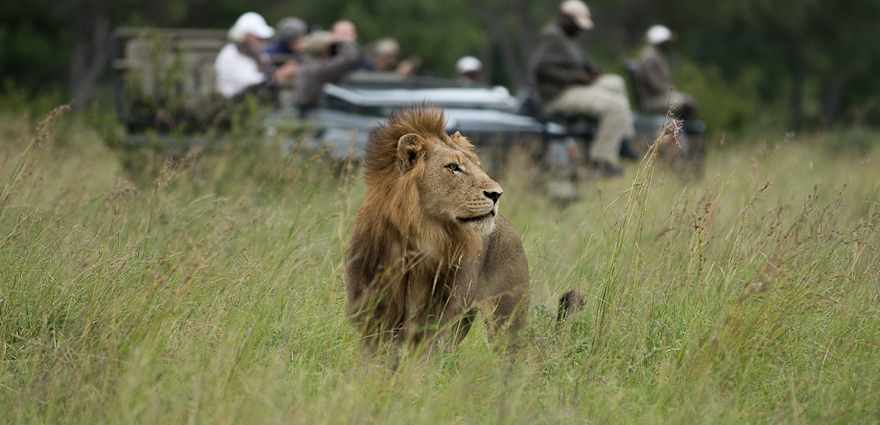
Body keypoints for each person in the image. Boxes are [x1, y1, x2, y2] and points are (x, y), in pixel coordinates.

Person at [528, 0, 635, 177]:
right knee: (616, 106)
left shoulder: (566, 38)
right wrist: (577, 77)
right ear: (565, 18)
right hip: (557, 96)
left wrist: (590, 70)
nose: (580, 29)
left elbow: (575, 63)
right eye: (577, 25)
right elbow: (541, 69)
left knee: (616, 82)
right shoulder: (552, 37)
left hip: (572, 89)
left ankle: (623, 141)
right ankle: (601, 159)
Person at [214, 12, 297, 99]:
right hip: (235, 107)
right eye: (259, 38)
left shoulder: (255, 54)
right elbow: (251, 88)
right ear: (246, 36)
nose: (263, 42)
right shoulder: (230, 55)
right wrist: (280, 75)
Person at [635, 25, 697, 120]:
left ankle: (679, 130)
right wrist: (671, 90)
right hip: (652, 101)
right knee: (688, 103)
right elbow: (655, 85)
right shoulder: (650, 57)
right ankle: (681, 132)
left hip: (654, 97)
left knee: (687, 100)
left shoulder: (653, 54)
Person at [293, 27, 361, 112]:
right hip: (312, 112)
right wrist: (345, 41)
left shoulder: (309, 64)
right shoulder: (316, 67)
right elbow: (349, 58)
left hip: (311, 111)